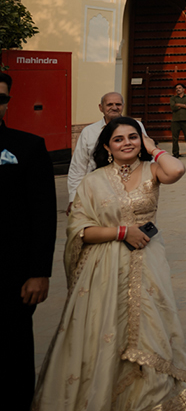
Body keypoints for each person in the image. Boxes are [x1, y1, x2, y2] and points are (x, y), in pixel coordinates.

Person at [33, 116, 186, 411]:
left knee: (150, 329)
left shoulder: (152, 170)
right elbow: (78, 230)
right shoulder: (93, 181)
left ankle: (148, 400)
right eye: (118, 139)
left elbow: (178, 169)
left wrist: (151, 146)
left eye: (132, 137)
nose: (127, 143)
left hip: (147, 264)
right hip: (102, 269)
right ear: (107, 146)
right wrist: (123, 232)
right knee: (102, 329)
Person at [0, 71, 57, 410]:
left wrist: (39, 272)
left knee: (12, 357)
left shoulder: (28, 148)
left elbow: (43, 216)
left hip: (12, 278)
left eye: (2, 98)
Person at [67, 91, 146, 212]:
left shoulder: (136, 126)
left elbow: (147, 155)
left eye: (118, 104)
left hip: (132, 188)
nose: (114, 108)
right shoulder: (89, 132)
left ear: (123, 106)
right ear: (101, 107)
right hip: (98, 192)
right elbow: (78, 166)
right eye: (109, 104)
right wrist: (74, 198)